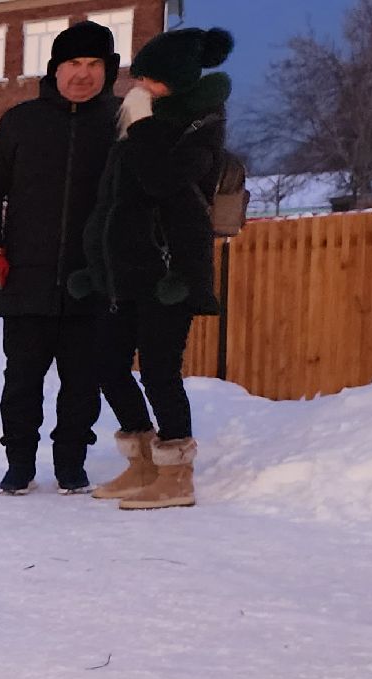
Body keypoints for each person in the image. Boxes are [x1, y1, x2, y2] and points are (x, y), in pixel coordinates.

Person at [72, 28, 236, 511]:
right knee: (108, 365)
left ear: (179, 81)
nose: (141, 87)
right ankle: (144, 463)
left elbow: (163, 181)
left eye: (153, 80)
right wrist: (94, 260)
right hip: (123, 272)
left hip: (170, 272)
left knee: (161, 372)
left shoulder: (200, 125)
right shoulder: (139, 121)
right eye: (139, 76)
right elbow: (111, 202)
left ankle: (176, 476)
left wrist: (143, 126)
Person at [0, 20, 123, 495]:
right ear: (55, 69)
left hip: (91, 280)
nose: (83, 73)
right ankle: (19, 463)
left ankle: (71, 464)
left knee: (82, 383)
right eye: (73, 63)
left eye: (94, 64)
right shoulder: (22, 121)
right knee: (21, 381)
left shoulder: (120, 123)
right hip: (25, 278)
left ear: (108, 70)